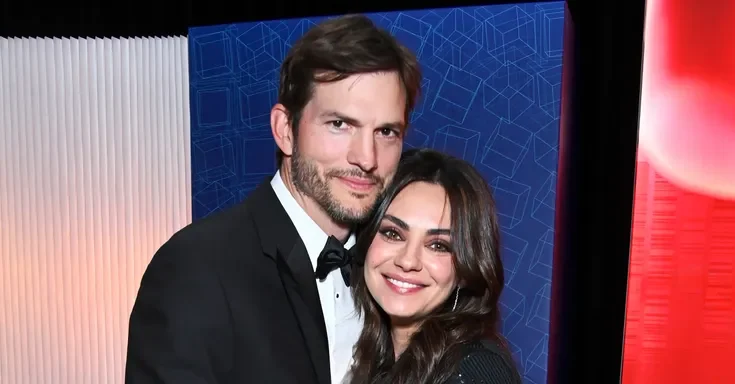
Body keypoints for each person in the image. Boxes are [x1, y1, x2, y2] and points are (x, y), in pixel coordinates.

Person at [124, 14, 421, 384]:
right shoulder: (196, 269)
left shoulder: (399, 272)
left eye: (387, 131)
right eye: (339, 124)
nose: (366, 158)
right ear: (285, 130)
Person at [346, 148, 522, 384]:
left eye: (438, 246)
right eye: (393, 233)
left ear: (466, 270)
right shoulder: (369, 355)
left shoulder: (474, 370)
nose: (407, 261)